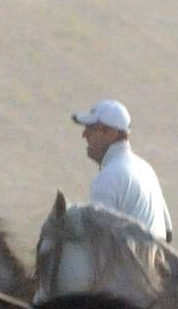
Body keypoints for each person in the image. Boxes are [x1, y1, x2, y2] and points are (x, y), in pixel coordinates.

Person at [73, 98, 171, 242]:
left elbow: (100, 241)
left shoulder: (108, 178)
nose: (84, 135)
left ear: (111, 134)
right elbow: (168, 231)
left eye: (91, 129)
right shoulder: (145, 169)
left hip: (127, 263)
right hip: (157, 261)